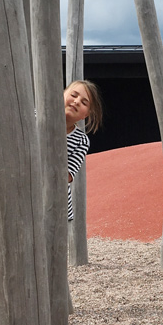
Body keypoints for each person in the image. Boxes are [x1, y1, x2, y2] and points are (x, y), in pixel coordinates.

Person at [64, 79, 102, 221]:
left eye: (84, 103)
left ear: (85, 114)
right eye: (73, 95)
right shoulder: (33, 117)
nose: (77, 101)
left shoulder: (82, 141)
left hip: (57, 203)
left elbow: (68, 175)